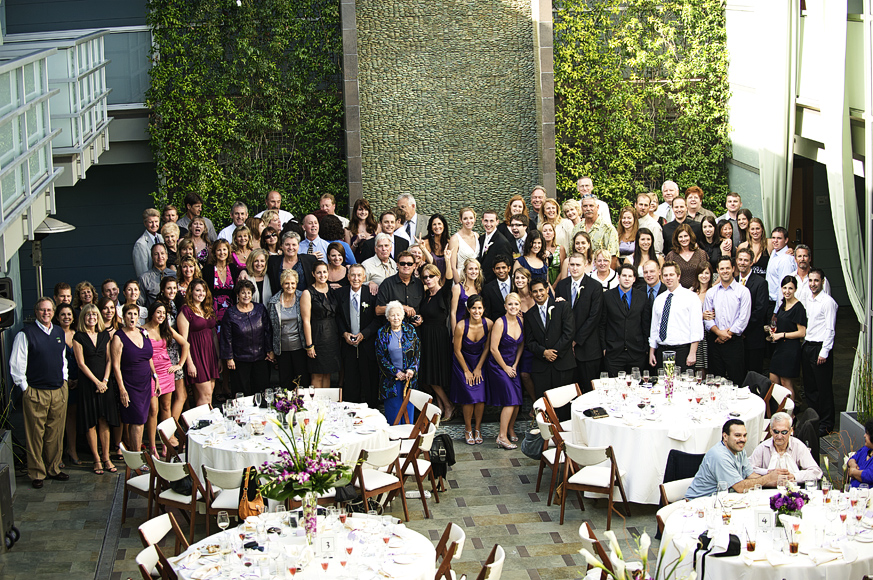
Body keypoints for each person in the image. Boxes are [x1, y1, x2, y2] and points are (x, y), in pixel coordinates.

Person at [11, 298, 70, 488]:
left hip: (58, 391)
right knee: (35, 434)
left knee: (55, 433)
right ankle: (37, 473)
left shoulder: (59, 331)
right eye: (42, 310)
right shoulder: (26, 334)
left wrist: (65, 381)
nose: (46, 313)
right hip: (36, 392)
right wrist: (25, 389)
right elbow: (16, 364)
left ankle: (54, 468)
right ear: (36, 312)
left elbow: (63, 361)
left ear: (53, 312)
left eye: (49, 310)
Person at [73, 304, 120, 475]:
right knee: (90, 422)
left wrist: (105, 380)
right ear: (83, 318)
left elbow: (109, 360)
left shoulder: (104, 335)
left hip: (105, 383)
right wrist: (96, 382)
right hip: (88, 384)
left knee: (104, 420)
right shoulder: (78, 337)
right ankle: (96, 459)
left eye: (94, 314)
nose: (91, 317)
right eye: (88, 315)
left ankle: (107, 457)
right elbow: (80, 364)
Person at [685, 419, 778, 499]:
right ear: (725, 436)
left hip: (722, 500)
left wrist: (775, 481)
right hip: (700, 503)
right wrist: (768, 478)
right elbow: (740, 487)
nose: (743, 439)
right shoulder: (719, 456)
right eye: (737, 435)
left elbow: (750, 475)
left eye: (744, 435)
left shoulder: (739, 449)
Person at [112, 304, 158, 459]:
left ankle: (136, 456)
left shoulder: (143, 333)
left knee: (141, 421)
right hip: (130, 385)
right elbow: (115, 366)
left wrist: (155, 377)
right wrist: (122, 389)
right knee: (137, 421)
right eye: (129, 314)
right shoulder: (118, 337)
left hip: (145, 383)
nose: (132, 317)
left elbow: (149, 357)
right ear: (123, 317)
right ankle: (137, 458)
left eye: (134, 314)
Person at [142, 301, 188, 457]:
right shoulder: (143, 330)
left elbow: (185, 344)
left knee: (166, 407)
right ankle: (152, 446)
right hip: (150, 372)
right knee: (153, 410)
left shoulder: (165, 328)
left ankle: (166, 444)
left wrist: (179, 364)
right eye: (158, 312)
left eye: (163, 313)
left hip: (167, 370)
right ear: (152, 313)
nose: (161, 316)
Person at [334, 264, 379, 406]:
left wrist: (364, 334)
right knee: (351, 381)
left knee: (369, 381)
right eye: (353, 275)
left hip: (367, 344)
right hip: (348, 345)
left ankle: (372, 412)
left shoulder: (371, 294)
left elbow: (377, 319)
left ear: (364, 277)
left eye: (359, 275)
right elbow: (337, 316)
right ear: (348, 277)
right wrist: (344, 333)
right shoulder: (341, 293)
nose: (356, 278)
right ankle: (351, 412)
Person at [523, 278, 575, 402]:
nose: (538, 294)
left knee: (564, 402)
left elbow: (569, 333)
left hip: (562, 363)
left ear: (547, 289)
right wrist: (544, 352)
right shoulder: (529, 315)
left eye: (541, 290)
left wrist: (554, 352)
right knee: (545, 403)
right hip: (541, 366)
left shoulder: (562, 306)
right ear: (530, 293)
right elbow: (529, 341)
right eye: (534, 291)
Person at [556, 253, 602, 391]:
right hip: (567, 349)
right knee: (569, 390)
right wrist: (567, 340)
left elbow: (594, 317)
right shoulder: (562, 285)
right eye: (572, 265)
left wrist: (575, 340)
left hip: (588, 347)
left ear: (585, 266)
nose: (574, 268)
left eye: (578, 265)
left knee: (589, 389)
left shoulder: (595, 287)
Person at [220, 279, 273, 396]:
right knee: (242, 394)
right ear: (238, 294)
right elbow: (226, 337)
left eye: (249, 292)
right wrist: (229, 358)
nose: (246, 295)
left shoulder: (260, 309)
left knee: (261, 391)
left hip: (260, 358)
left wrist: (269, 350)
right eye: (243, 292)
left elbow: (267, 331)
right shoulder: (230, 313)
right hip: (240, 360)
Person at [704, 257, 751, 385]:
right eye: (722, 268)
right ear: (718, 271)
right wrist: (719, 333)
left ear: (733, 269)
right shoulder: (711, 293)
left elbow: (743, 318)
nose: (725, 271)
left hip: (734, 342)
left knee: (737, 381)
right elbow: (708, 319)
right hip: (715, 342)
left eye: (728, 268)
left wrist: (727, 334)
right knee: (714, 382)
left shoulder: (743, 291)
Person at [648, 262, 704, 372]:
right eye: (665, 275)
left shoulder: (691, 297)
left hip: (682, 350)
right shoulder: (659, 299)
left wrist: (692, 353)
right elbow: (654, 328)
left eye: (671, 275)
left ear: (678, 276)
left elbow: (696, 328)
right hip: (662, 350)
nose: (668, 278)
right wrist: (652, 352)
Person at [801, 269, 837, 435]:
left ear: (822, 282)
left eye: (816, 281)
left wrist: (824, 351)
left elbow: (830, 329)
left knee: (823, 388)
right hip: (808, 345)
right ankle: (815, 419)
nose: (813, 284)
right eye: (810, 280)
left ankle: (827, 424)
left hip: (820, 347)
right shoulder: (808, 298)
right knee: (810, 386)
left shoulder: (827, 302)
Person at [486, 292, 524, 449]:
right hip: (498, 366)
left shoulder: (521, 321)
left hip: (512, 365)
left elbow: (521, 345)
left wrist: (515, 364)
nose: (513, 307)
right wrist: (506, 367)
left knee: (517, 401)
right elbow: (493, 349)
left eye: (516, 304)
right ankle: (501, 437)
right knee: (510, 400)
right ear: (505, 306)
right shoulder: (500, 323)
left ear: (520, 306)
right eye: (510, 304)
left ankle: (510, 428)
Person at [451, 295, 491, 445]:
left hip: (480, 361)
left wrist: (479, 367)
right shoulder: (461, 326)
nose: (477, 311)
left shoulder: (489, 324)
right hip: (462, 362)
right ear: (468, 309)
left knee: (480, 396)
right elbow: (457, 351)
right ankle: (468, 428)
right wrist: (467, 371)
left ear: (483, 309)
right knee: (468, 394)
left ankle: (478, 428)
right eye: (474, 308)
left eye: (479, 308)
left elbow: (487, 347)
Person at [599, 264, 651, 377]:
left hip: (637, 353)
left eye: (630, 276)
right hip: (614, 353)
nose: (627, 278)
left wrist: (646, 348)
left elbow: (645, 324)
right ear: (618, 277)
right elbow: (602, 324)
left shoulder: (642, 297)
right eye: (624, 275)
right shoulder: (607, 296)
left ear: (634, 279)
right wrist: (604, 347)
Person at [375, 300, 420, 424]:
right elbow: (380, 357)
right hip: (391, 382)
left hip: (408, 380)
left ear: (402, 316)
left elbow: (417, 352)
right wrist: (395, 372)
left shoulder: (410, 330)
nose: (396, 318)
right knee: (394, 416)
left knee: (407, 414)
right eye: (392, 315)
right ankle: (395, 442)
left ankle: (408, 442)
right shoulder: (382, 333)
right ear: (388, 317)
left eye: (398, 314)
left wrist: (412, 369)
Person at [177, 279, 220, 406]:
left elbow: (214, 335)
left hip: (210, 354)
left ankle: (205, 423)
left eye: (203, 291)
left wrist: (218, 358)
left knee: (209, 392)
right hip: (196, 355)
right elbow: (183, 341)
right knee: (205, 394)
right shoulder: (185, 311)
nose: (201, 293)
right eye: (197, 290)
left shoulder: (207, 309)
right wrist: (189, 363)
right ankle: (206, 423)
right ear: (191, 292)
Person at [749, 412, 823, 484]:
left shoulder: (798, 446)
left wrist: (794, 476)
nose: (779, 436)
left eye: (784, 432)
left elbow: (816, 472)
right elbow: (748, 469)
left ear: (791, 431)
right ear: (771, 430)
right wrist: (768, 472)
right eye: (776, 431)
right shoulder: (762, 447)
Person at [300, 262, 340, 389]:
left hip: (332, 337)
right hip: (317, 335)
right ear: (313, 274)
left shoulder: (332, 290)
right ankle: (315, 406)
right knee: (317, 374)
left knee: (327, 373)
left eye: (324, 272)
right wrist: (309, 345)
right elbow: (306, 320)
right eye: (319, 272)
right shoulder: (308, 293)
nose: (322, 275)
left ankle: (326, 406)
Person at [267, 269, 309, 389]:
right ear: (282, 284)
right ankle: (287, 406)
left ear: (296, 283)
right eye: (286, 283)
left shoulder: (302, 297)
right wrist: (271, 349)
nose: (290, 286)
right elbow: (270, 327)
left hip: (300, 347)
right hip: (282, 349)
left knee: (302, 381)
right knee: (285, 382)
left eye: (292, 283)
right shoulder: (273, 301)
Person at [769, 276, 807, 400]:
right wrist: (773, 331)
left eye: (790, 288)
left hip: (791, 349)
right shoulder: (783, 305)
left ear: (795, 289)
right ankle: (777, 410)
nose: (787, 291)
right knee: (773, 379)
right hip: (780, 347)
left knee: (786, 382)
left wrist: (782, 334)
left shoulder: (798, 307)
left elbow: (802, 332)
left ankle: (790, 414)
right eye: (784, 288)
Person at [156, 277, 187, 421]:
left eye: (174, 288)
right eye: (169, 288)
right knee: (176, 397)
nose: (172, 291)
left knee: (179, 395)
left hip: (176, 350)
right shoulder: (160, 307)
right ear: (162, 289)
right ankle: (170, 432)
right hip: (168, 353)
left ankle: (171, 431)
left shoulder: (173, 304)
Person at [735, 248, 769, 376]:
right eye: (740, 260)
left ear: (751, 262)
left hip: (753, 337)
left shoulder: (761, 283)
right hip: (736, 340)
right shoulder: (733, 281)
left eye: (746, 260)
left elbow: (760, 310)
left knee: (754, 376)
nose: (742, 263)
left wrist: (742, 329)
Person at [56, 304, 80, 467]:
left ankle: (72, 449)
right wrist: (66, 380)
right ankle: (56, 454)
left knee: (73, 417)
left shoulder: (78, 334)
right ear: (57, 317)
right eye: (63, 314)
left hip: (78, 380)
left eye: (69, 314)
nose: (66, 317)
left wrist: (77, 379)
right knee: (58, 418)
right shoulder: (54, 334)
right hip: (60, 381)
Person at [202, 239, 244, 325]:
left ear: (228, 251)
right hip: (213, 310)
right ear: (214, 252)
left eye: (224, 249)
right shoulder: (208, 270)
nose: (222, 252)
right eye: (219, 250)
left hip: (231, 310)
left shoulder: (232, 268)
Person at [376, 250, 424, 319]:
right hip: (392, 327)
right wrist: (401, 307)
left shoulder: (419, 284)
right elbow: (378, 310)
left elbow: (422, 308)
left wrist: (420, 318)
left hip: (414, 328)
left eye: (409, 264)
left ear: (414, 266)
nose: (406, 266)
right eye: (402, 263)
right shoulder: (387, 283)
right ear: (397, 265)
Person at [786, 244, 832, 308]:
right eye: (799, 256)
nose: (802, 259)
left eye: (805, 256)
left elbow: (827, 303)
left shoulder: (820, 280)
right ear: (795, 259)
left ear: (810, 258)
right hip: (794, 317)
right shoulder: (789, 279)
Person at [665, 224, 709, 289]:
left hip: (697, 292)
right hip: (678, 293)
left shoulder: (701, 254)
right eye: (680, 237)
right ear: (676, 239)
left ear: (690, 236)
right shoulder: (671, 255)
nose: (683, 239)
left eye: (686, 236)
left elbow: (706, 274)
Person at [478, 210, 514, 284]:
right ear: (482, 221)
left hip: (493, 285)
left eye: (491, 221)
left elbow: (506, 267)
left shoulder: (502, 242)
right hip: (481, 283)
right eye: (486, 221)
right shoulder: (481, 239)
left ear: (497, 222)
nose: (488, 224)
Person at [693, 262, 714, 372]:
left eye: (707, 273)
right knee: (698, 366)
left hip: (710, 333)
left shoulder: (715, 291)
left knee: (710, 366)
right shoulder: (691, 292)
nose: (704, 276)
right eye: (701, 273)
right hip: (697, 333)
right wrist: (701, 316)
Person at [133, 209, 165, 277]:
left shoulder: (161, 238)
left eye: (156, 221)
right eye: (151, 222)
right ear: (145, 223)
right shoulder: (140, 244)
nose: (154, 225)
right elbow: (142, 273)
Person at [482, 255, 513, 320]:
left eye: (504, 267)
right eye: (498, 268)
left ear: (509, 268)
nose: (501, 271)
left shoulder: (516, 284)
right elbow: (488, 312)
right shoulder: (488, 289)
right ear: (494, 270)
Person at [846, 420, 873, 488]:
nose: (864, 436)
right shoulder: (866, 449)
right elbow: (852, 458)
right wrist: (853, 465)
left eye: (867, 434)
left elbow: (869, 476)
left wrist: (853, 472)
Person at [423, 214, 450, 281]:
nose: (437, 227)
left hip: (446, 281)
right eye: (434, 224)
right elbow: (422, 265)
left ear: (444, 225)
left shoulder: (449, 243)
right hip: (429, 281)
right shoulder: (425, 243)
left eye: (439, 224)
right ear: (431, 227)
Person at [541, 222, 566, 287]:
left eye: (550, 230)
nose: (548, 233)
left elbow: (563, 269)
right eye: (545, 231)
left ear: (554, 233)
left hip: (557, 281)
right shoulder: (539, 249)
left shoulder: (560, 248)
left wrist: (554, 286)